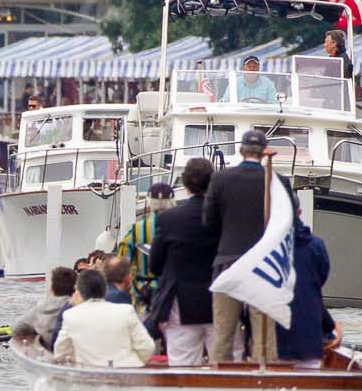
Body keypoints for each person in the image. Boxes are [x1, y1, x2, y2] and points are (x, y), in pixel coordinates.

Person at [204, 131, 287, 364]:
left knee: (223, 333)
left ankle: (219, 381)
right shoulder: (277, 182)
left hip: (228, 262)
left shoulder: (220, 180)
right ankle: (264, 379)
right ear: (264, 152)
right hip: (263, 265)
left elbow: (208, 222)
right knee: (264, 338)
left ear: (242, 150)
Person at [146, 157, 219, 364]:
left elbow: (155, 265)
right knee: (225, 364)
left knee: (182, 365)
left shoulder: (169, 219)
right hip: (220, 297)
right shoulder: (223, 215)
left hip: (181, 301)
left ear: (185, 185)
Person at [55, 268, 158, 368]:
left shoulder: (70, 315)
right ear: (105, 290)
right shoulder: (126, 311)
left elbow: (60, 353)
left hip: (90, 377)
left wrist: (79, 360)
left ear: (80, 292)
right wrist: (135, 363)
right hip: (127, 375)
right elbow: (147, 347)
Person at [274, 220, 339, 367]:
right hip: (309, 339)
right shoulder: (317, 245)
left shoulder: (268, 246)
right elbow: (322, 275)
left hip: (277, 339)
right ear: (299, 212)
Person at [113, 180, 173, 305]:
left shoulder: (136, 230)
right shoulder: (180, 227)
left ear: (149, 202)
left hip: (143, 296)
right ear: (172, 202)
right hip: (173, 295)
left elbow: (122, 262)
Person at [12, 266, 79, 349]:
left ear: (52, 288)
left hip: (51, 347)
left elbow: (17, 329)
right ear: (75, 289)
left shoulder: (41, 307)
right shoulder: (79, 307)